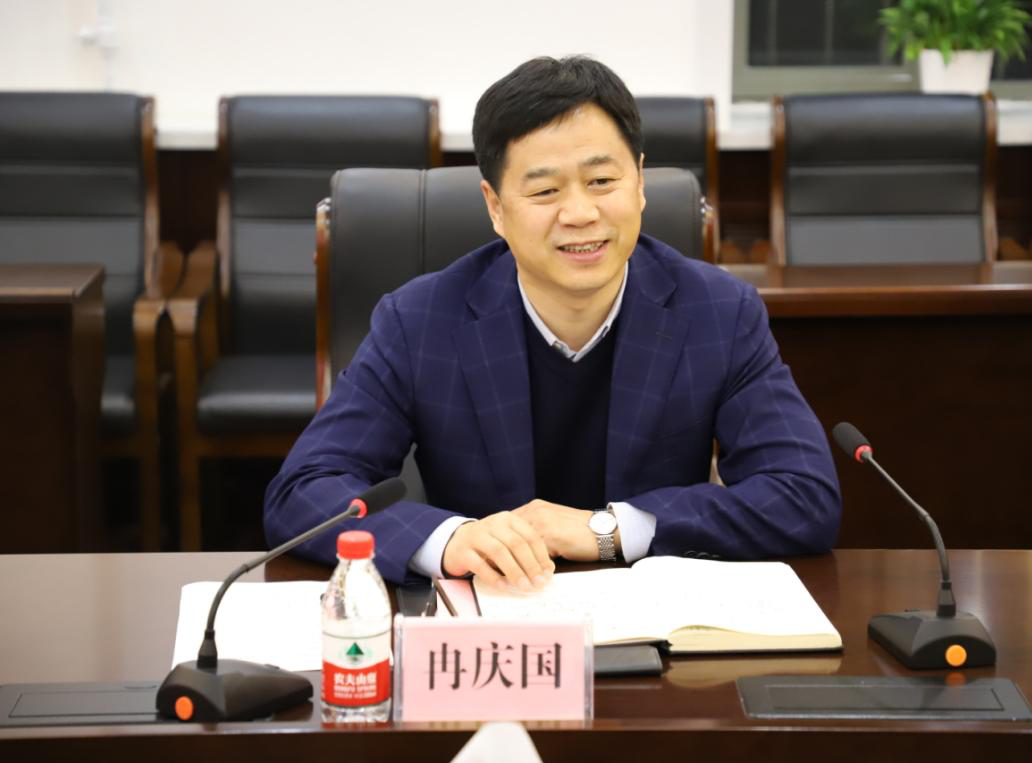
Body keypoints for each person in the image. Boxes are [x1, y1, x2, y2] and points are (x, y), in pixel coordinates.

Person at [264, 56, 841, 587]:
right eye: (544, 190)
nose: (581, 213)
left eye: (602, 182)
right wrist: (447, 540)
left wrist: (610, 530)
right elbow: (304, 492)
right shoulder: (419, 321)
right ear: (495, 207)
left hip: (653, 629)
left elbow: (803, 496)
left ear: (640, 183)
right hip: (491, 622)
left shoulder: (718, 311)